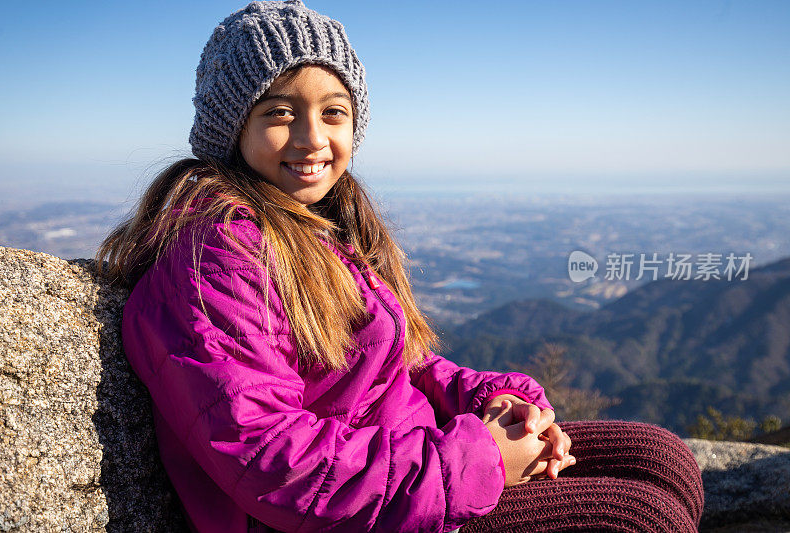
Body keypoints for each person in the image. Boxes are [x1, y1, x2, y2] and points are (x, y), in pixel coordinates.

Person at [96, 1, 704, 532]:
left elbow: (389, 365)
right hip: (332, 514)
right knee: (641, 517)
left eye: (333, 112)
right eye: (280, 113)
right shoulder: (218, 257)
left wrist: (495, 403)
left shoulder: (320, 228)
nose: (312, 138)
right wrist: (484, 460)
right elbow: (273, 462)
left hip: (400, 467)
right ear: (233, 130)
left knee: (660, 456)